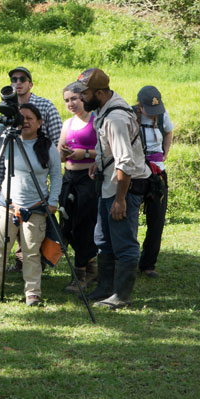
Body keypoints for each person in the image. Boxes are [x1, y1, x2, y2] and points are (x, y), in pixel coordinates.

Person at [77, 68, 152, 310]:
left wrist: (121, 199)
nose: (80, 98)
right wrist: (97, 163)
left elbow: (126, 163)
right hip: (109, 184)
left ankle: (121, 296)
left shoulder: (115, 118)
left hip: (123, 188)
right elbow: (112, 152)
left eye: (84, 93)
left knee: (124, 243)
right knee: (103, 239)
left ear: (99, 92)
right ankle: (105, 289)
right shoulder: (103, 110)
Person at [0, 103, 61, 306]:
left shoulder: (47, 146)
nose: (24, 122)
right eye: (21, 118)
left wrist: (53, 201)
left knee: (31, 252)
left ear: (40, 123)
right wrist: (5, 122)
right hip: (7, 204)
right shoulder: (10, 141)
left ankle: (33, 293)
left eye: (29, 118)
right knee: (0, 249)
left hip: (35, 207)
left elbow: (57, 175)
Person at [0, 66, 63, 273]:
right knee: (10, 223)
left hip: (40, 165)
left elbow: (57, 138)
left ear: (30, 83)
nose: (18, 82)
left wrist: (53, 195)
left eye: (22, 79)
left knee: (33, 225)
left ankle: (34, 263)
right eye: (13, 79)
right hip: (12, 176)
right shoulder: (8, 107)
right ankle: (19, 259)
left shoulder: (45, 105)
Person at [57, 82, 99, 293]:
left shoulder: (96, 121)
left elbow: (107, 151)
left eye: (74, 98)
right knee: (66, 226)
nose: (71, 103)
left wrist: (87, 154)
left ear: (84, 97)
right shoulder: (67, 124)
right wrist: (64, 153)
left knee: (84, 225)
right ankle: (92, 264)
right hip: (69, 178)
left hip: (88, 179)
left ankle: (81, 274)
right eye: (66, 100)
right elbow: (59, 154)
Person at [136, 85, 173, 279]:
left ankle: (148, 263)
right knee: (131, 219)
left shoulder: (162, 115)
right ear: (140, 106)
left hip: (158, 173)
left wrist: (165, 153)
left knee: (156, 219)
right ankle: (128, 260)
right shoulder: (130, 116)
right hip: (136, 172)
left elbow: (169, 132)